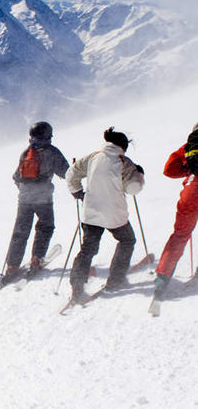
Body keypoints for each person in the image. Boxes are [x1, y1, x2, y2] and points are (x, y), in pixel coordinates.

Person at [67, 127, 145, 301]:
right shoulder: (124, 162)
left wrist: (78, 193)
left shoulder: (93, 157)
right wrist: (139, 175)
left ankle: (77, 286)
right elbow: (133, 189)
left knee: (87, 249)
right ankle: (116, 279)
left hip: (91, 212)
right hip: (114, 214)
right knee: (127, 240)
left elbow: (71, 174)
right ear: (122, 146)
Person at [1, 121, 69, 283]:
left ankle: (12, 265)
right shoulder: (51, 152)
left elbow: (16, 177)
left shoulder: (26, 152)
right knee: (45, 227)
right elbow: (66, 172)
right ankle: (36, 259)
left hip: (24, 199)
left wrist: (25, 190)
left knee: (21, 231)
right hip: (43, 199)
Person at [152, 123, 198, 299]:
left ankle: (162, 279)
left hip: (191, 191)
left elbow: (168, 170)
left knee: (180, 235)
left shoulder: (187, 147)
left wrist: (188, 170)